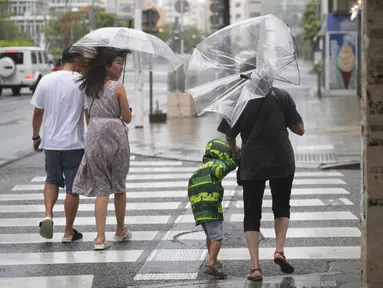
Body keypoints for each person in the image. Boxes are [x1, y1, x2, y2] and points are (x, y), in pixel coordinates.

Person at [217, 79, 305, 281]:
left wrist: (236, 150)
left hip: (252, 161)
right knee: (282, 206)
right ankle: (279, 251)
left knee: (252, 212)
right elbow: (300, 129)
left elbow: (229, 136)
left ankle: (255, 268)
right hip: (282, 159)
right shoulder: (282, 95)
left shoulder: (239, 99)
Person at [72, 47, 132, 251]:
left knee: (102, 189)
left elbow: (88, 116)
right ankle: (120, 230)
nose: (121, 67)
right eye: (119, 63)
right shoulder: (118, 88)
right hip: (116, 135)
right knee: (119, 186)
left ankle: (99, 238)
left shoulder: (89, 87)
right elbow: (127, 118)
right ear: (107, 65)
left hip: (95, 134)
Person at [31, 47, 88, 242]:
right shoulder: (82, 82)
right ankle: (68, 232)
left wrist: (35, 137)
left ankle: (48, 214)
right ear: (75, 60)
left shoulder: (46, 80)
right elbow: (88, 114)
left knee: (51, 180)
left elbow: (38, 112)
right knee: (72, 189)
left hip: (51, 143)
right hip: (74, 144)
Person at [188, 139, 238, 279]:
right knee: (217, 236)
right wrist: (235, 161)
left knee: (210, 235)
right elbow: (220, 170)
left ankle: (213, 259)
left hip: (198, 207)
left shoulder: (201, 167)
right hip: (210, 206)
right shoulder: (216, 164)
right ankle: (211, 263)